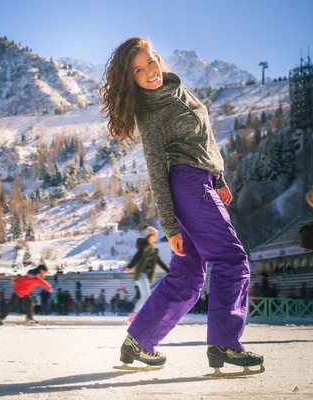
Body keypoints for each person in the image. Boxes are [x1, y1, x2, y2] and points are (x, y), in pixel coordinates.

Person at [101, 37, 263, 372]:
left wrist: (217, 177)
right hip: (187, 184)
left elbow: (202, 136)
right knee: (232, 259)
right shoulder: (151, 112)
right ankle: (225, 344)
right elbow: (157, 172)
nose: (150, 72)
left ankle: (140, 340)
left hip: (201, 182)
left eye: (151, 62)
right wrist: (170, 225)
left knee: (189, 274)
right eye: (139, 70)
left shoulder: (177, 90)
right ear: (130, 78)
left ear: (159, 58)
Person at [124, 226, 171, 323]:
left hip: (146, 276)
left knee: (146, 296)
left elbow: (159, 261)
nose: (157, 237)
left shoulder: (153, 249)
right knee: (146, 296)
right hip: (141, 274)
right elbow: (137, 257)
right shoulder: (145, 247)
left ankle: (140, 315)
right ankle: (134, 317)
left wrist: (168, 270)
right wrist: (130, 266)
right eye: (155, 235)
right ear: (151, 235)